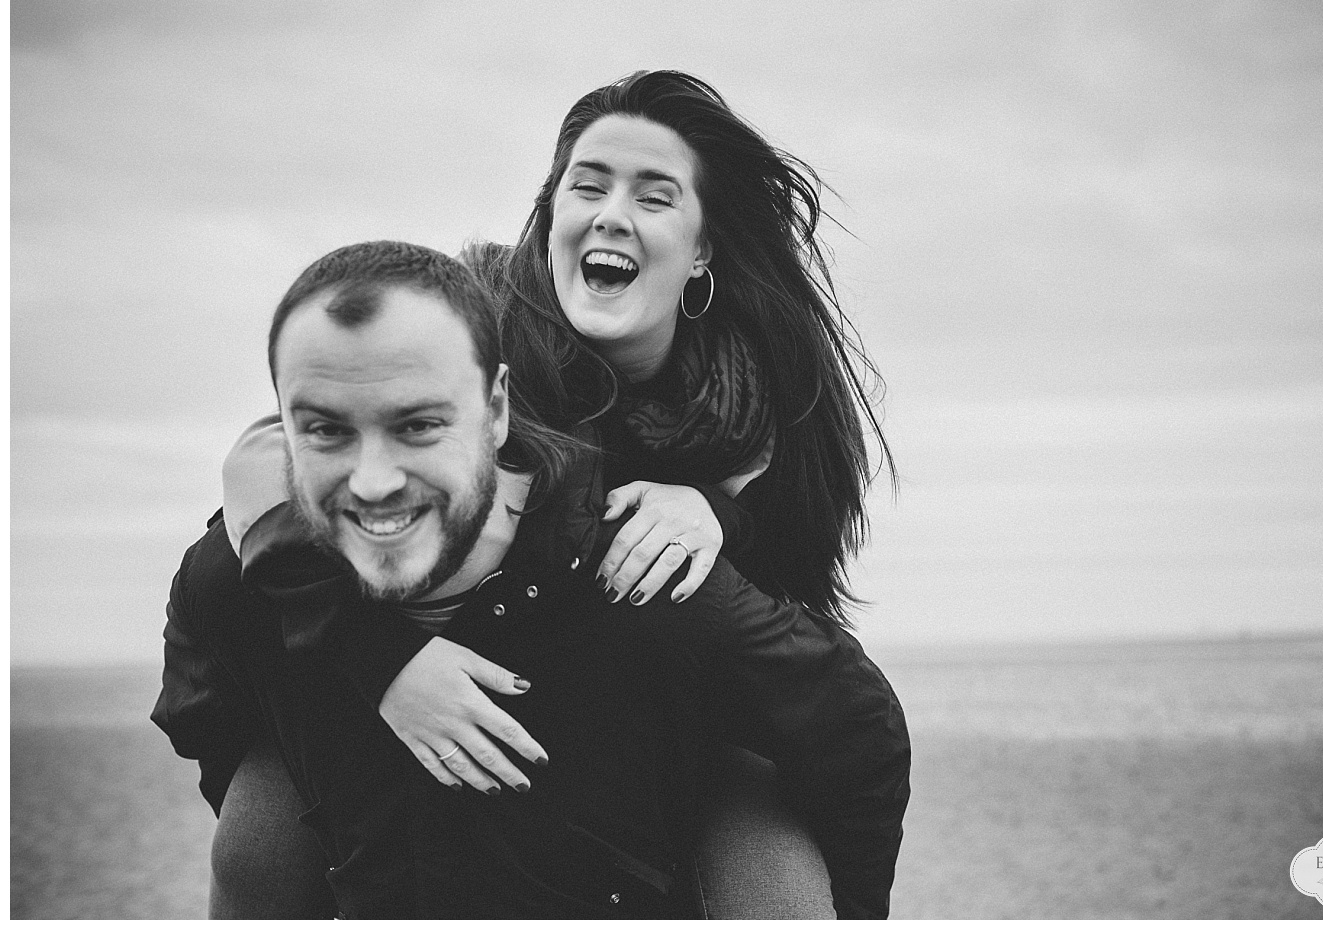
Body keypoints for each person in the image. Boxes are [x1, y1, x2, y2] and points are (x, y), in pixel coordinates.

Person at [212, 70, 896, 914]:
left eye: (654, 196)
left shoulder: (758, 406)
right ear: (552, 217)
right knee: (257, 845)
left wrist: (714, 511)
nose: (612, 213)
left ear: (704, 249)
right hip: (432, 665)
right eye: (588, 185)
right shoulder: (480, 329)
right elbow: (262, 461)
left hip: (677, 706)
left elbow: (782, 595)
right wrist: (382, 661)